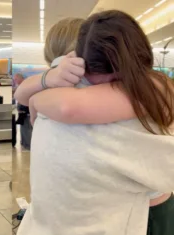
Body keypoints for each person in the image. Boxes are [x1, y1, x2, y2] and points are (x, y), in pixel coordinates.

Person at [15, 10, 174, 235]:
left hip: (141, 211)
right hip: (143, 209)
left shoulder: (154, 88)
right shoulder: (147, 93)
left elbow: (67, 106)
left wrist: (39, 97)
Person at [13, 73, 32, 150]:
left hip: (26, 110)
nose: (15, 81)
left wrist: (23, 108)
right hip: (23, 109)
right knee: (23, 126)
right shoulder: (22, 85)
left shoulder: (26, 86)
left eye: (16, 79)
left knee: (27, 127)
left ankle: (28, 144)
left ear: (20, 78)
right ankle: (24, 142)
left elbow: (27, 98)